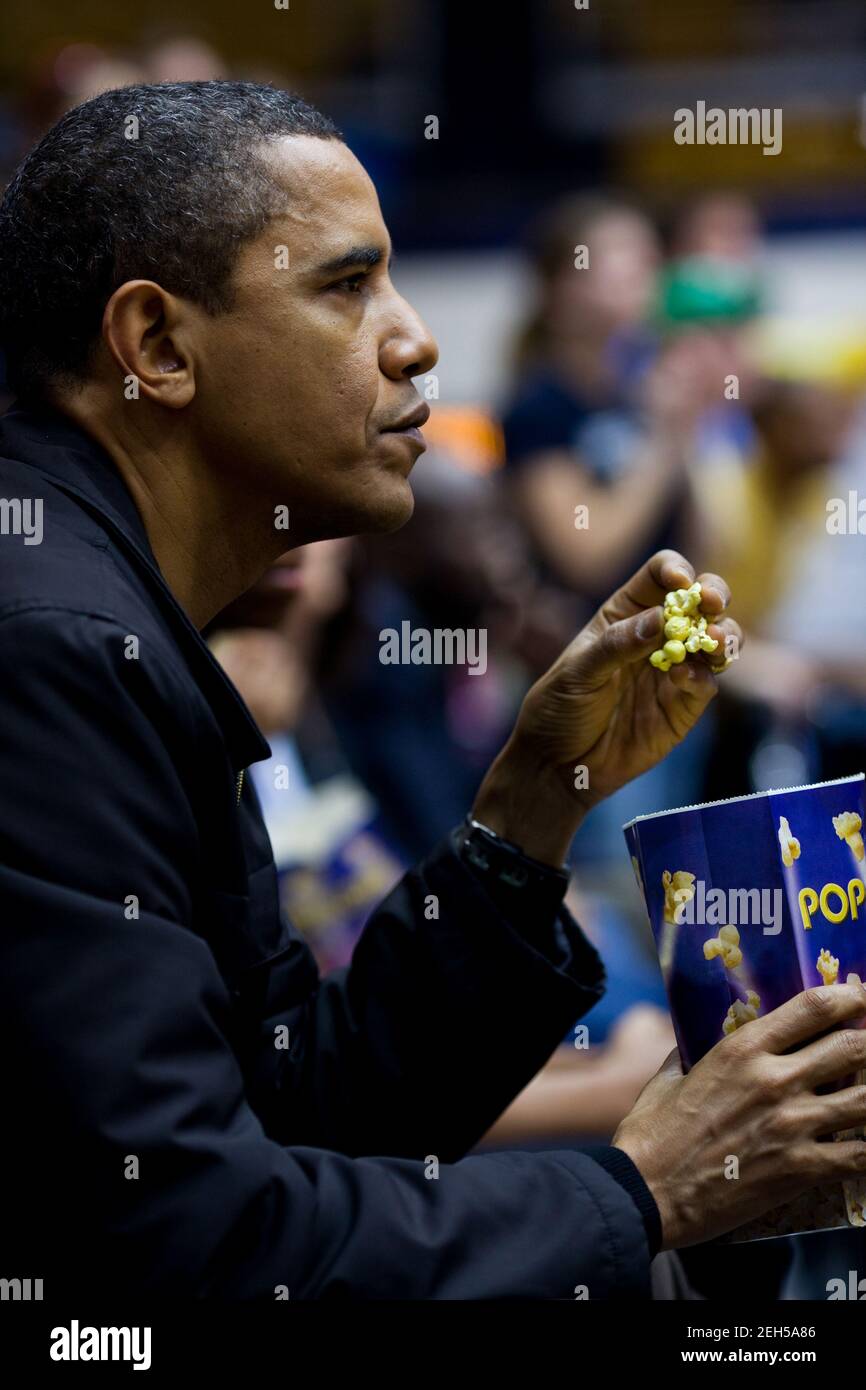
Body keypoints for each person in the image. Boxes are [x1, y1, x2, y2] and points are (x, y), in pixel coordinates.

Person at [1, 80, 866, 1302]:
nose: (416, 338)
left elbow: (295, 1101)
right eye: (346, 286)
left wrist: (526, 808)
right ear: (156, 346)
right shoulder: (55, 648)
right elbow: (185, 1245)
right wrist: (647, 1188)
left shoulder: (116, 614)